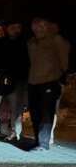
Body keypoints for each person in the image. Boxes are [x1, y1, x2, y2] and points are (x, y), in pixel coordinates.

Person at [26, 16, 71, 151]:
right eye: (36, 26)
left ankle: (43, 143)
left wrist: (62, 76)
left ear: (47, 26)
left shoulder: (56, 40)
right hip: (33, 82)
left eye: (42, 25)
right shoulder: (31, 42)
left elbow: (64, 60)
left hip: (50, 81)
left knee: (46, 113)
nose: (39, 28)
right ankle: (38, 140)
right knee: (35, 113)